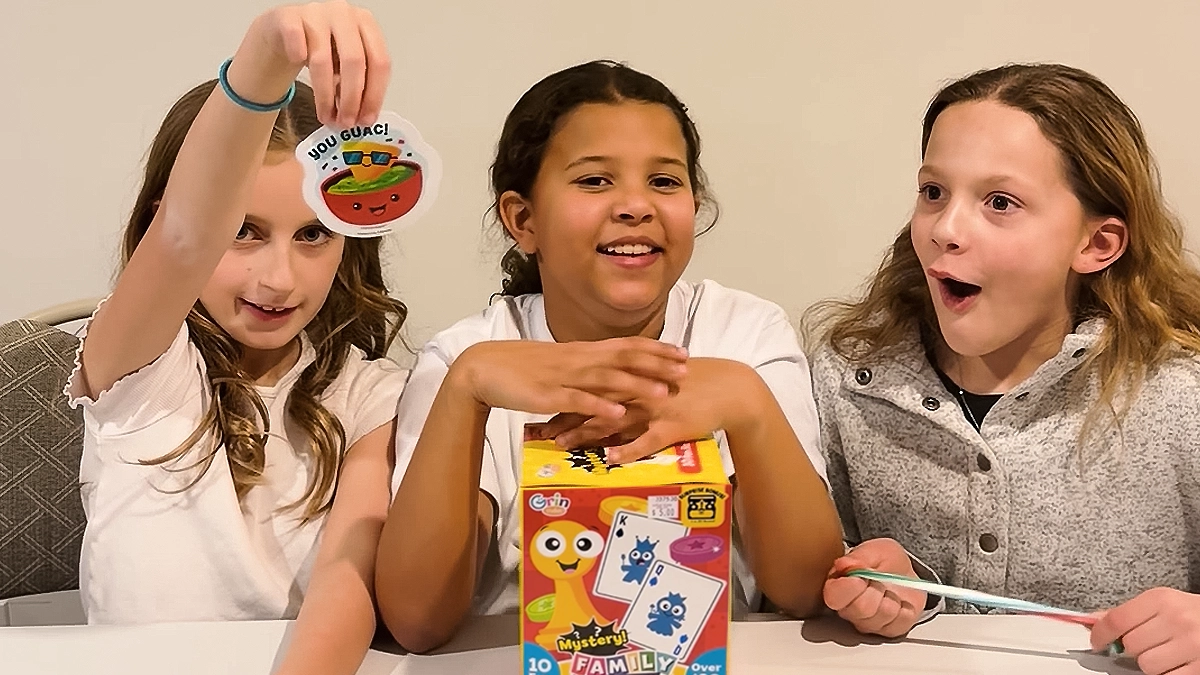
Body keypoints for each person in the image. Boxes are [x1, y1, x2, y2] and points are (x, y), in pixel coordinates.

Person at [374, 60, 843, 652]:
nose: (635, 206)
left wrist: (747, 403)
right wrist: (467, 389)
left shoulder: (744, 333)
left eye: (665, 182)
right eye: (594, 181)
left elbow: (805, 589)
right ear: (522, 219)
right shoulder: (469, 357)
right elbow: (417, 621)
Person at [812, 63, 1200, 673]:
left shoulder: (1184, 394)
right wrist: (860, 576)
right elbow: (792, 582)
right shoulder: (844, 380)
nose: (945, 230)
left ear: (1097, 244)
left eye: (1000, 202)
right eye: (933, 192)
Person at [66, 3, 406, 674]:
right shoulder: (143, 365)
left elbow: (349, 579)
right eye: (243, 230)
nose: (278, 278)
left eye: (314, 234)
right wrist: (268, 52)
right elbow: (186, 234)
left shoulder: (373, 392)